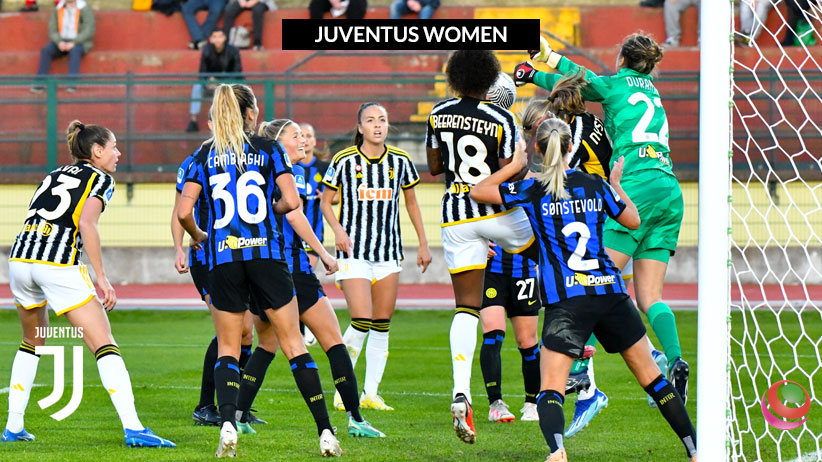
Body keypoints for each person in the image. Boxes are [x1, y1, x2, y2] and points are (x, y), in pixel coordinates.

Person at [470, 117, 697, 462]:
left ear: (537, 148)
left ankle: (557, 450)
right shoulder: (595, 184)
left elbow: (478, 191)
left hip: (567, 300)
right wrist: (617, 185)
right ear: (571, 147)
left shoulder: (532, 189)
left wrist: (516, 165)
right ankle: (695, 450)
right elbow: (633, 220)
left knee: (551, 388)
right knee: (653, 380)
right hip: (610, 293)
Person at [514, 33, 691, 405]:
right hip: (669, 188)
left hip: (637, 184)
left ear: (623, 58)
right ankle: (675, 360)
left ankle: (579, 370)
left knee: (595, 275)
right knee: (650, 297)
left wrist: (539, 67)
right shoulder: (652, 92)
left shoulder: (616, 86)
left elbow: (578, 78)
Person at [178, 84, 341, 457]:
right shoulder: (269, 149)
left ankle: (228, 424)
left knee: (229, 347)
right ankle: (325, 431)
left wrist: (200, 235)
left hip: (224, 258)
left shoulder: (203, 154)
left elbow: (185, 213)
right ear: (251, 114)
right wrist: (270, 208)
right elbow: (292, 200)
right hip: (267, 255)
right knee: (293, 344)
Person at [3, 120, 175, 448]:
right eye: (113, 147)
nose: (118, 153)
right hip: (57, 263)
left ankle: (13, 427)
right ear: (96, 151)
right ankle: (134, 428)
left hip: (20, 259)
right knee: (104, 343)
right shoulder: (101, 178)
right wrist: (102, 278)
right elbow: (86, 224)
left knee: (32, 341)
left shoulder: (54, 174)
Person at [232, 118, 385, 439]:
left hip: (260, 267)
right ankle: (355, 418)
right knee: (334, 342)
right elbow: (295, 214)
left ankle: (239, 415)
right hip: (292, 268)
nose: (303, 140)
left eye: (304, 135)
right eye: (296, 136)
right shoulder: (288, 172)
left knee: (267, 345)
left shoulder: (255, 170)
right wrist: (324, 254)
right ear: (278, 142)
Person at [425, 50, 534, 444]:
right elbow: (511, 173)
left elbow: (434, 167)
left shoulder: (438, 113)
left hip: (455, 215)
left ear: (455, 76)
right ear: (490, 78)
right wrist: (519, 162)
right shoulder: (501, 117)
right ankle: (576, 349)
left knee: (467, 307)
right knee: (552, 255)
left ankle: (461, 392)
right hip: (497, 210)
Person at [320, 102, 432, 413]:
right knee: (361, 319)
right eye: (370, 120)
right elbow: (325, 202)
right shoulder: (343, 160)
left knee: (381, 323)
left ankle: (371, 393)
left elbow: (411, 203)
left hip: (388, 253)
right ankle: (343, 390)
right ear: (360, 128)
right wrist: (338, 231)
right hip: (353, 253)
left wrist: (423, 244)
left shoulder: (401, 161)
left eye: (382, 119)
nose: (377, 125)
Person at [171, 127, 262, 428]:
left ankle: (236, 406)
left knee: (246, 333)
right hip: (206, 257)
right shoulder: (196, 159)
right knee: (233, 331)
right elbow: (180, 211)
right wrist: (179, 248)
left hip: (237, 255)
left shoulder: (244, 158)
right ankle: (206, 405)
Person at [478, 243, 541, 423]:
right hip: (491, 271)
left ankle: (532, 404)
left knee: (528, 342)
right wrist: (478, 243)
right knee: (493, 334)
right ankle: (495, 403)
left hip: (525, 271)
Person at [32, 0, 95, 94]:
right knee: (46, 50)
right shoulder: (58, 9)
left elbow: (89, 30)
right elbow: (52, 30)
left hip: (79, 42)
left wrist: (74, 42)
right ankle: (40, 83)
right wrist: (59, 42)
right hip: (61, 41)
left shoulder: (84, 8)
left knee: (75, 51)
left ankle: (71, 84)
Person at [187, 28, 243, 133]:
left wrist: (218, 81)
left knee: (239, 88)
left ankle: (237, 123)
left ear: (224, 38)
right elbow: (202, 73)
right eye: (215, 37)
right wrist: (208, 81)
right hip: (210, 85)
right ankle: (193, 121)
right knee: (197, 86)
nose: (218, 39)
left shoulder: (233, 51)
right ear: (211, 39)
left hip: (228, 84)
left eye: (220, 36)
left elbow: (237, 72)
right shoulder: (206, 51)